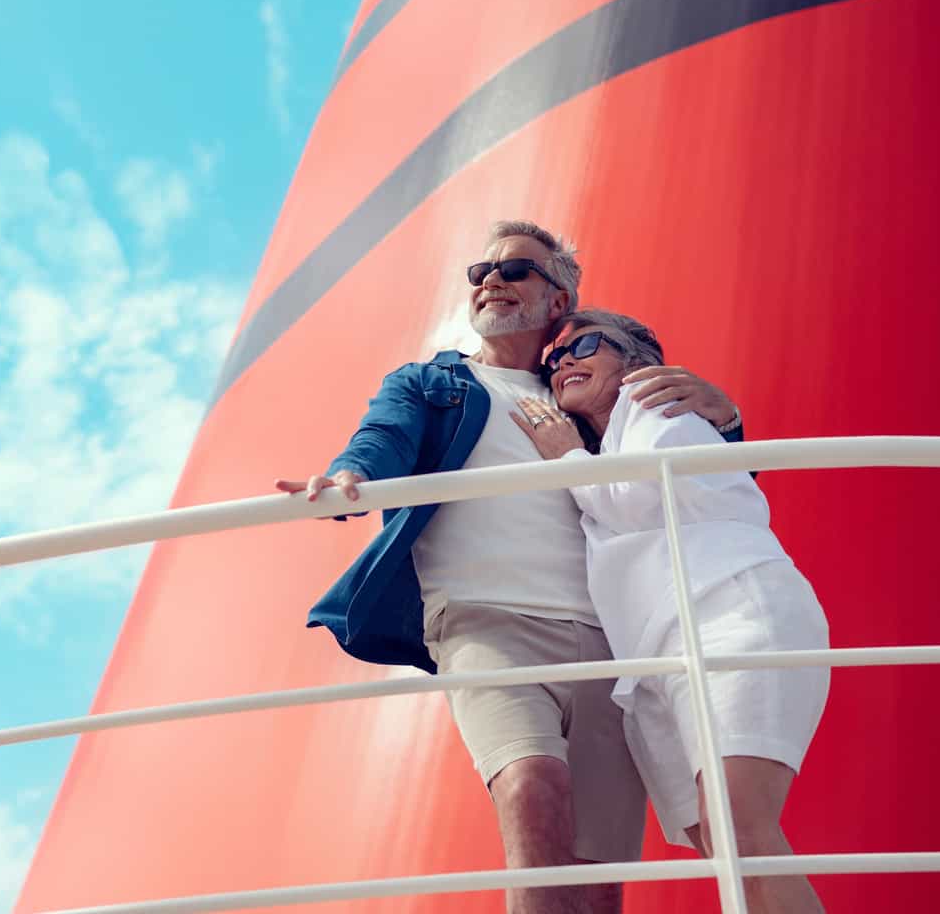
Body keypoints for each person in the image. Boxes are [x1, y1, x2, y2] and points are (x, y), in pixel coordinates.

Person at [275, 222, 745, 914]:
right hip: (484, 621)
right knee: (529, 786)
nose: (489, 280)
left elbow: (702, 482)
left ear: (558, 301)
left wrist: (727, 420)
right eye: (479, 271)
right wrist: (354, 472)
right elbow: (383, 435)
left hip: (608, 636)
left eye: (516, 269)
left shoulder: (580, 397)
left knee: (594, 881)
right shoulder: (433, 383)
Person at [511, 309, 829, 914]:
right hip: (670, 646)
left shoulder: (657, 401)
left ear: (633, 360)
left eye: (585, 346)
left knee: (742, 832)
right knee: (727, 843)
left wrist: (565, 458)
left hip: (731, 609)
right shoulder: (610, 443)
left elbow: (646, 499)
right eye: (553, 361)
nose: (564, 363)